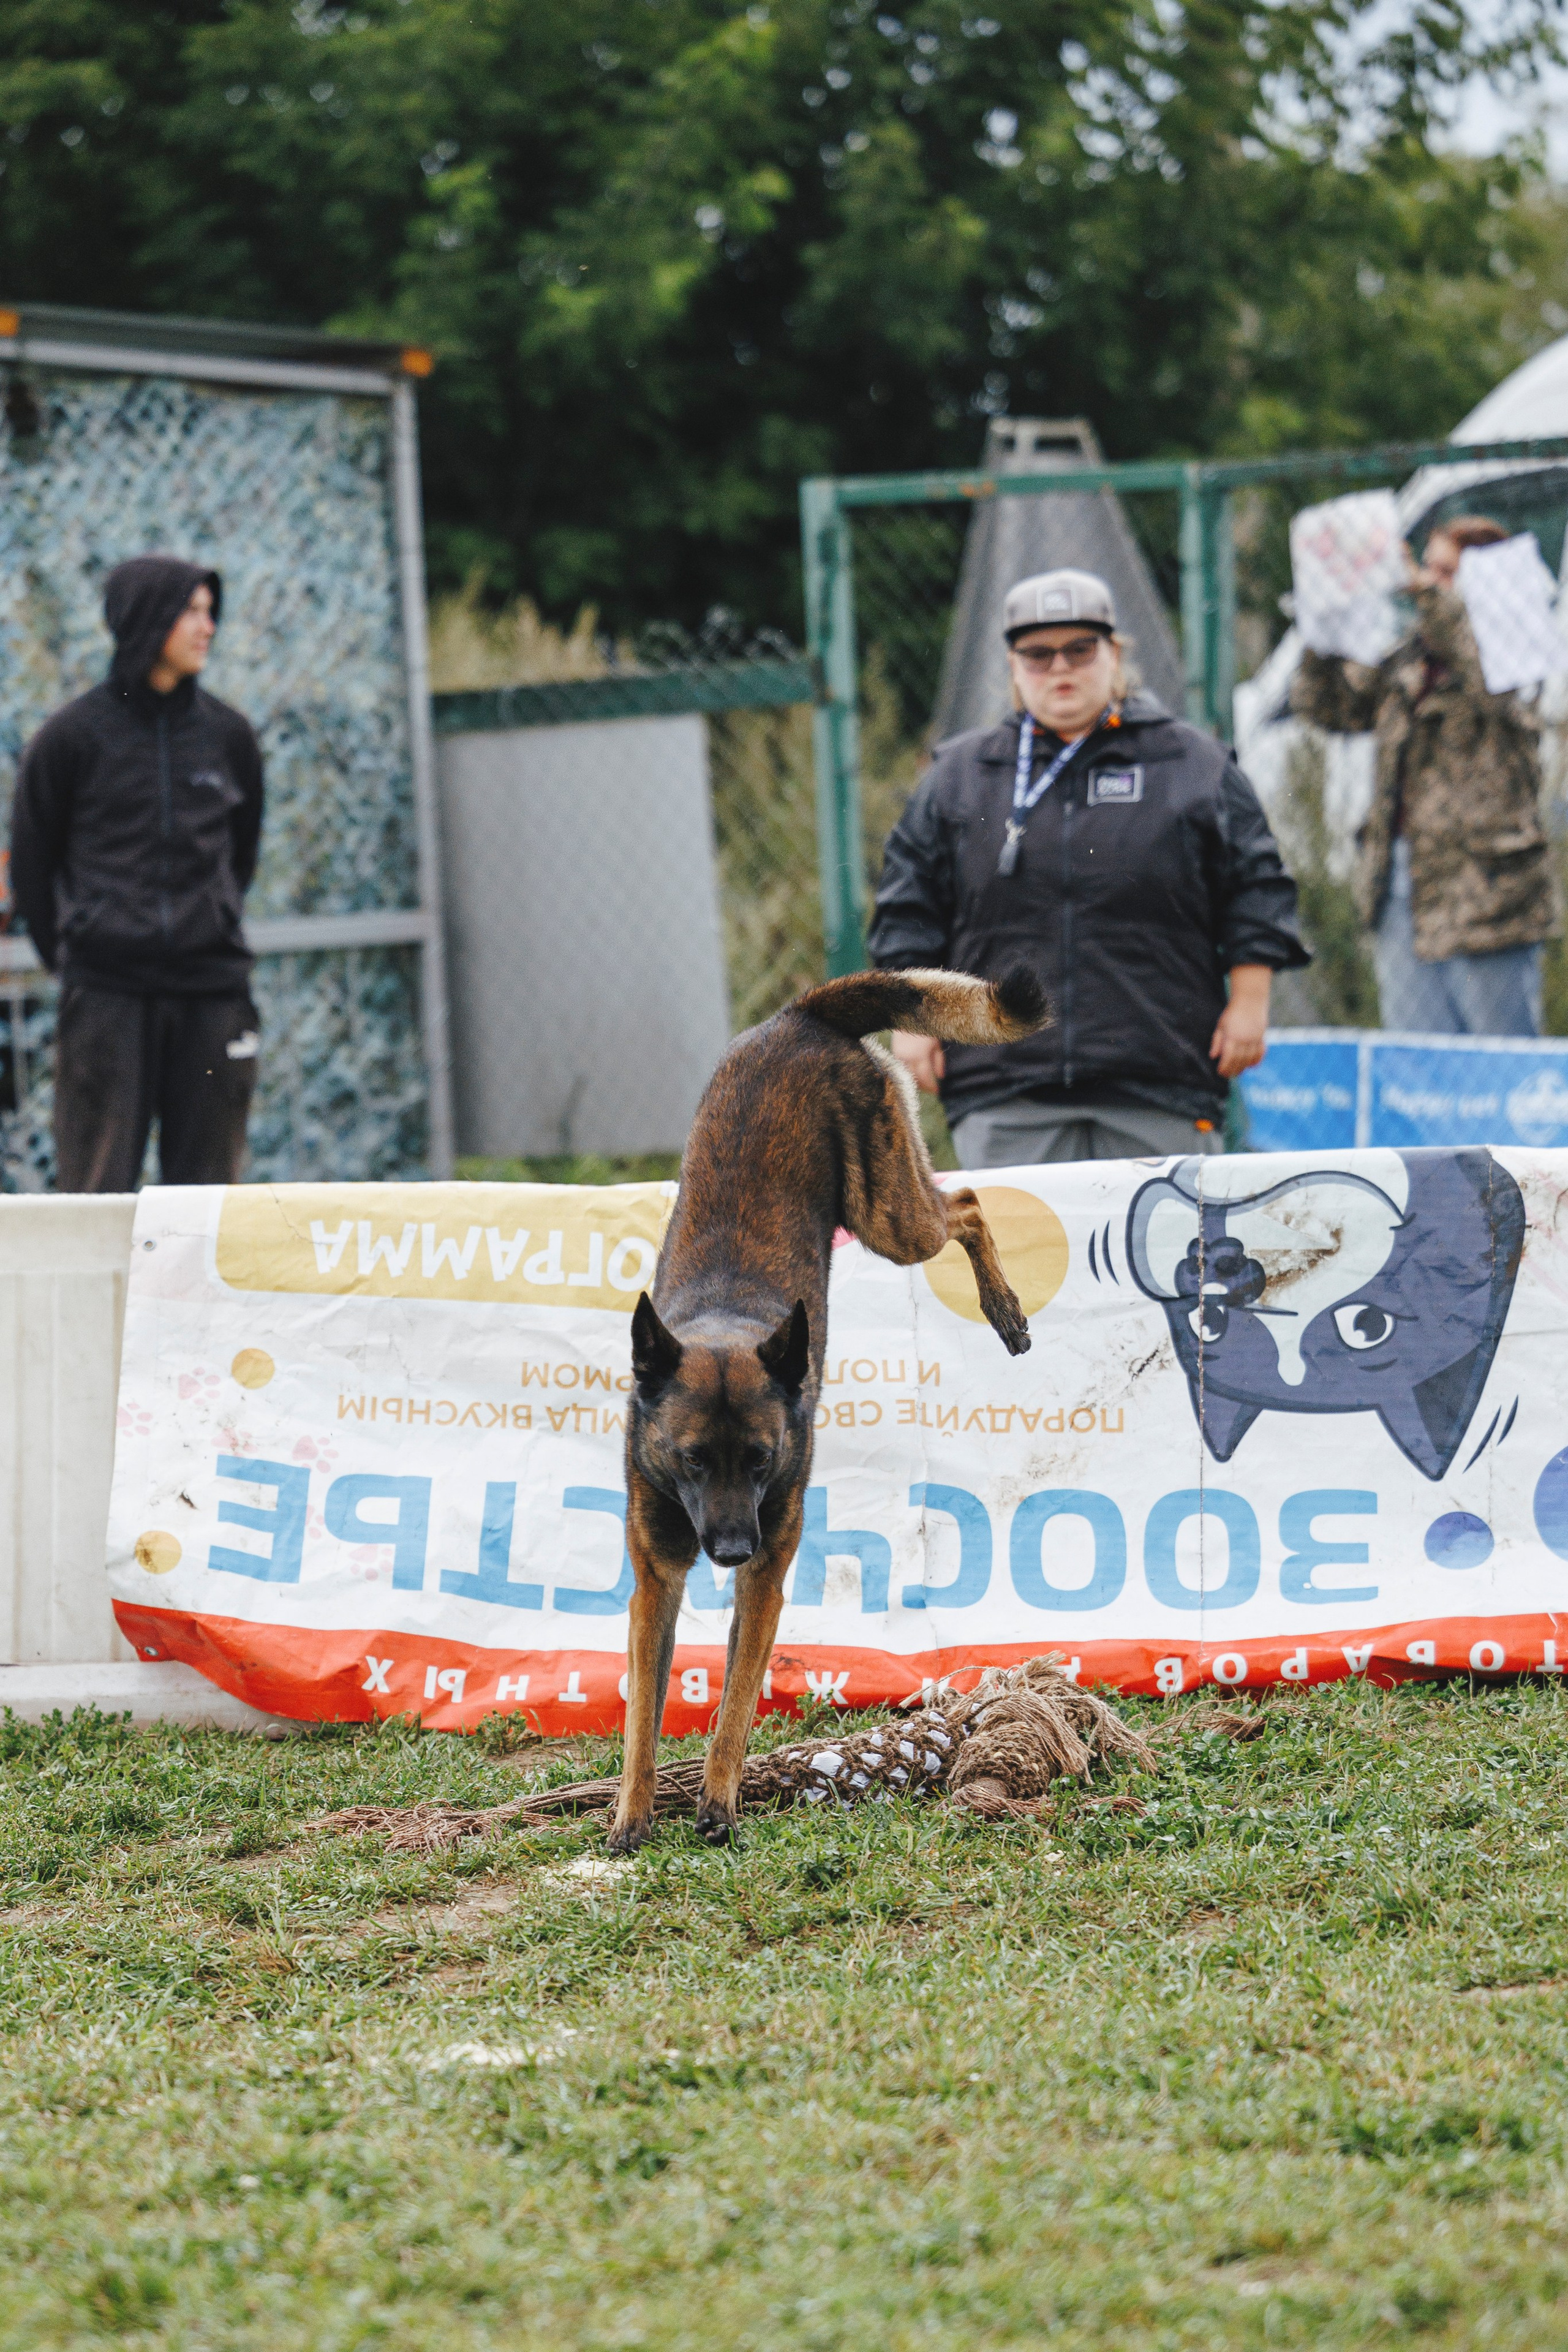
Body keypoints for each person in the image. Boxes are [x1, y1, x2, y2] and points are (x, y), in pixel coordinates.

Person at [867, 567, 1309, 1166]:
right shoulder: (958, 777)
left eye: (1080, 649)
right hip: (1003, 1084)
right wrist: (912, 1019)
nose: (1060, 668)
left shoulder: (1190, 763)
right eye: (1037, 654)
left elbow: (1256, 886)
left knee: (1161, 1257)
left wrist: (1250, 1003)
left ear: (1114, 653)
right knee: (1024, 1260)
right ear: (1013, 666)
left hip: (1158, 1076)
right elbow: (907, 905)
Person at [11, 555, 265, 1190]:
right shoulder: (71, 739)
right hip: (108, 999)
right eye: (192, 611)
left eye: (212, 612)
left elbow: (241, 857)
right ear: (148, 620)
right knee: (96, 1194)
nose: (208, 628)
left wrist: (209, 923)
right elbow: (34, 865)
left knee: (207, 1200)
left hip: (212, 997)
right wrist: (80, 956)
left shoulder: (228, 736)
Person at [1291, 514, 1558, 1036]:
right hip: (1404, 886)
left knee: (1499, 1066)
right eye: (1428, 569)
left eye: (1447, 573)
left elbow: (1500, 695)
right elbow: (1333, 708)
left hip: (1485, 896)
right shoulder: (1412, 658)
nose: (1428, 584)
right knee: (1418, 1070)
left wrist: (1434, 601)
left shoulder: (1514, 661)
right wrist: (1323, 636)